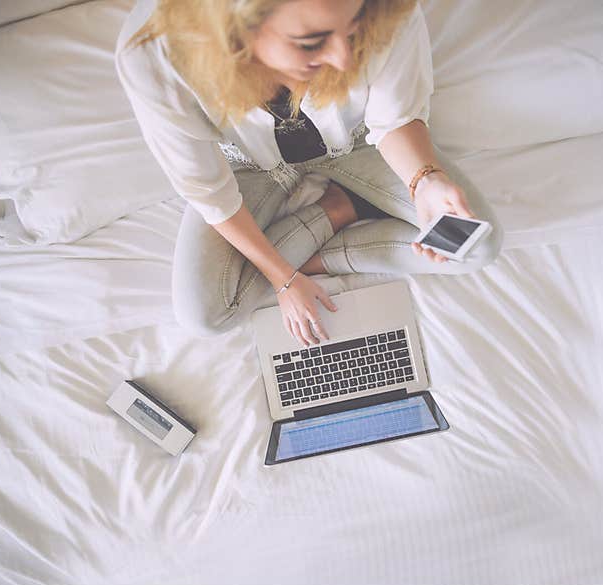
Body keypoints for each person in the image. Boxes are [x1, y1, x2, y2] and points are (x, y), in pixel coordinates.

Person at [116, 0, 503, 347]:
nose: (344, 60)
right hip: (247, 166)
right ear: (235, 30)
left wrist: (424, 178)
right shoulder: (153, 54)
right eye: (311, 41)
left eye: (352, 31)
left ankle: (329, 230)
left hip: (358, 142)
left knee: (475, 246)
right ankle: (338, 210)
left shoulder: (386, 7)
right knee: (206, 316)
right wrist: (284, 279)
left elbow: (394, 118)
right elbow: (210, 192)